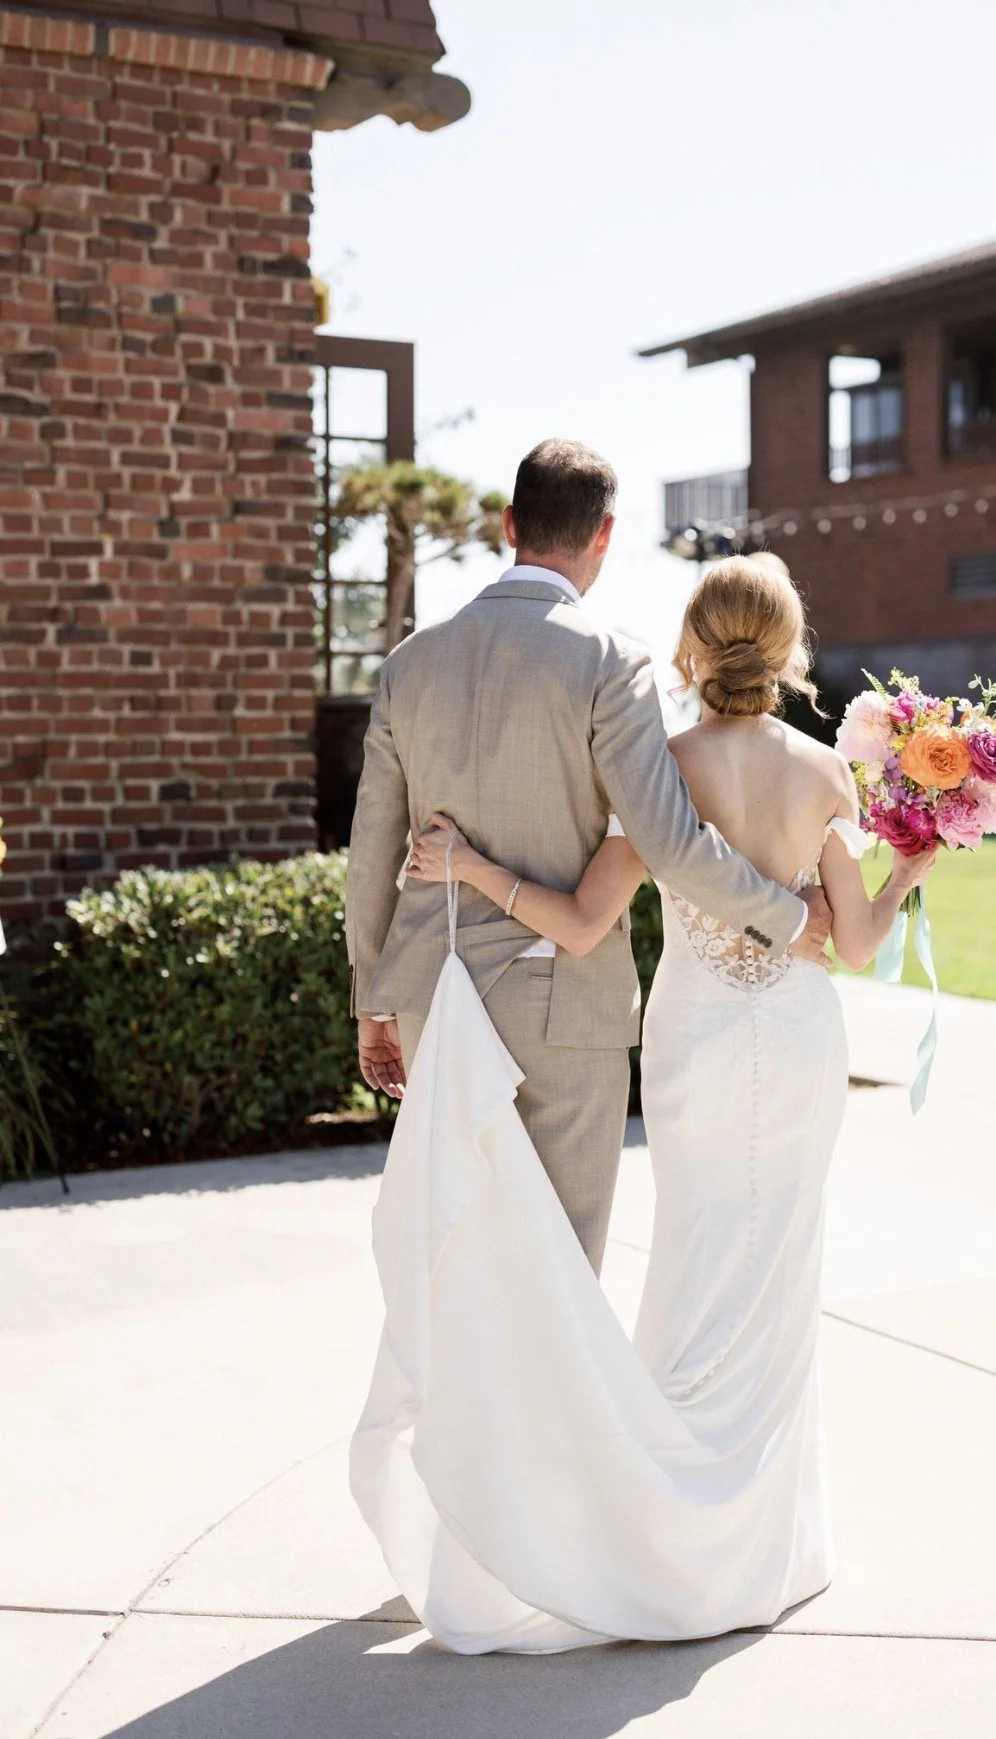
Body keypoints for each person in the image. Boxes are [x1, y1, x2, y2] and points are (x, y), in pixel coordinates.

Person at [349, 551, 936, 1654]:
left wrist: (470, 866)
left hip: (695, 1042)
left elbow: (578, 923)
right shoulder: (825, 775)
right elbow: (855, 945)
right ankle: (767, 1540)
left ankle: (664, 1518)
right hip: (801, 1039)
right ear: (790, 648)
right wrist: (915, 863)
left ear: (690, 649)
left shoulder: (656, 770)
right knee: (781, 1260)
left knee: (696, 1247)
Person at [345, 439, 831, 1274]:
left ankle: (467, 1409)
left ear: (507, 524)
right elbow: (670, 840)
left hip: (430, 996)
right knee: (559, 1273)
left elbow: (369, 850)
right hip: (561, 1013)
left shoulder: (408, 664)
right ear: (604, 534)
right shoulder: (609, 662)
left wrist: (371, 999)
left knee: (457, 1260)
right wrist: (786, 917)